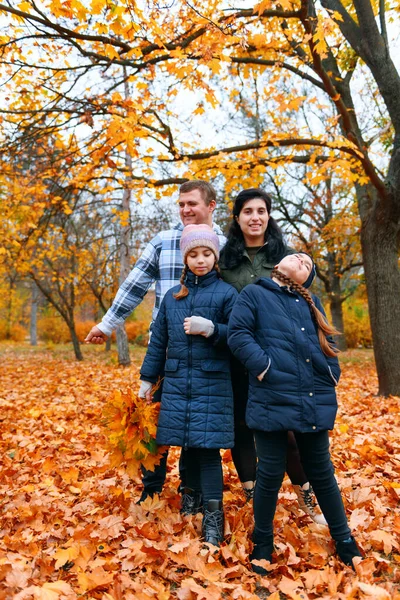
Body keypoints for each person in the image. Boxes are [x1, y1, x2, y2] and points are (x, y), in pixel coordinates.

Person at [84, 180, 226, 505]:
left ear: (211, 205)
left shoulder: (224, 244)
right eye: (181, 204)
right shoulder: (164, 241)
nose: (186, 209)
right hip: (163, 351)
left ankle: (191, 492)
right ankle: (151, 489)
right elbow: (135, 284)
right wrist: (107, 325)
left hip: (208, 354)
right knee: (153, 419)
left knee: (196, 423)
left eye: (192, 203)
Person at [228, 252, 362, 572]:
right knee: (270, 474)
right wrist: (264, 368)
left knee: (322, 473)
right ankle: (263, 542)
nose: (301, 259)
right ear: (279, 264)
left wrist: (331, 373)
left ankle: (344, 540)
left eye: (307, 264)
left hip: (313, 397)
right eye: (297, 255)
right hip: (271, 396)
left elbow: (327, 343)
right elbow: (238, 334)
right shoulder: (255, 293)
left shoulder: (311, 301)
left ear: (306, 280)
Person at [219, 188, 326, 523]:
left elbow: (303, 304)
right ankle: (255, 498)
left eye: (261, 211)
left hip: (281, 362)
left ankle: (306, 497)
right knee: (242, 428)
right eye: (247, 211)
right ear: (237, 218)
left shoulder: (285, 257)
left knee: (290, 433)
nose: (255, 217)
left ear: (269, 216)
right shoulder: (225, 261)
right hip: (236, 356)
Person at [138, 224, 238, 546]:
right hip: (178, 382)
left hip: (212, 383)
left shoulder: (226, 293)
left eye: (206, 253)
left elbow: (238, 338)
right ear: (185, 258)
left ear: (215, 257)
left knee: (207, 451)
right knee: (186, 445)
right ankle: (190, 499)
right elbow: (159, 342)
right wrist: (146, 380)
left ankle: (213, 516)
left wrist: (212, 329)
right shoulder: (171, 297)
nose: (200, 260)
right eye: (193, 254)